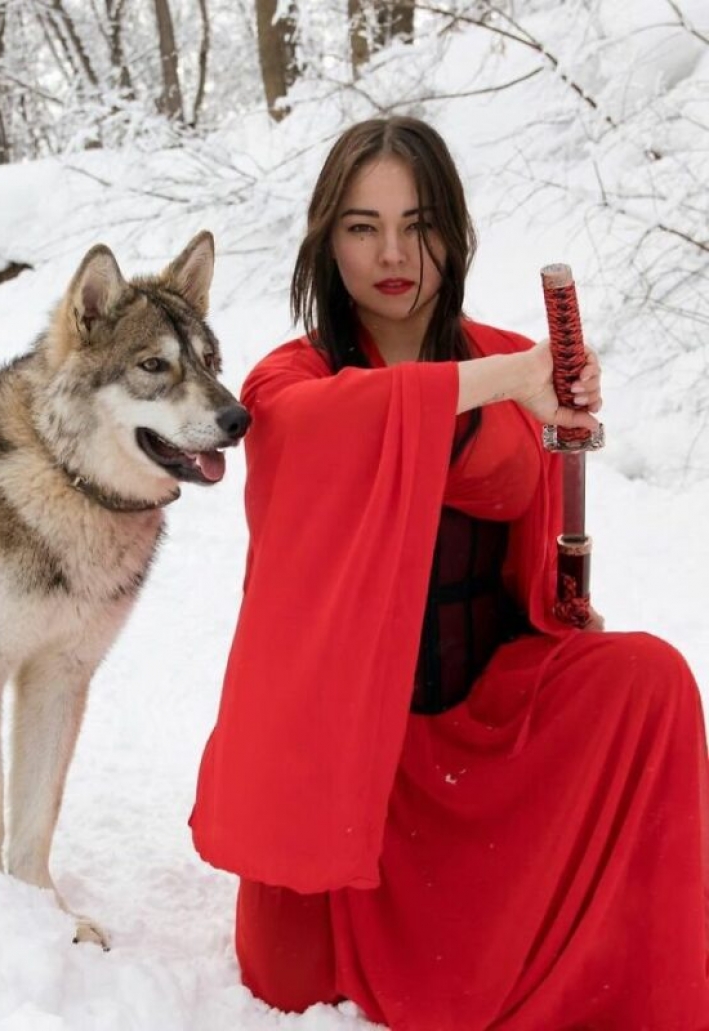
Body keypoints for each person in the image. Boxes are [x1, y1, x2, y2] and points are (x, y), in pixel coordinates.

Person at [189, 116, 709, 1030]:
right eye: (361, 226)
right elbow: (336, 427)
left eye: (419, 221)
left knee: (649, 679)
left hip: (483, 731)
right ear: (326, 240)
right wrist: (510, 380)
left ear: (456, 233)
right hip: (349, 763)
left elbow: (530, 525)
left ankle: (618, 960)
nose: (393, 252)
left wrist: (552, 405)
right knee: (284, 979)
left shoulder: (508, 361)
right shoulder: (290, 381)